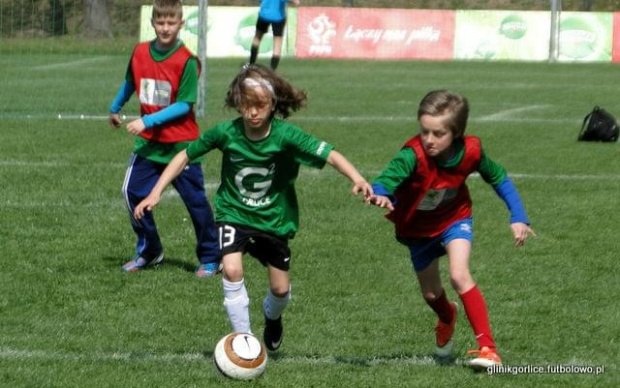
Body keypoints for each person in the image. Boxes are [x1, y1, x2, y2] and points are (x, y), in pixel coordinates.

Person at [133, 64, 372, 351]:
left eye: (260, 105)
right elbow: (184, 155)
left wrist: (357, 177)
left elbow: (329, 154)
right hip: (233, 213)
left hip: (274, 219)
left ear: (273, 104)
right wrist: (156, 192)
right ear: (238, 103)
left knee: (280, 290)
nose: (253, 112)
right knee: (232, 270)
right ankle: (244, 340)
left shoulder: (286, 135)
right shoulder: (226, 133)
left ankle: (272, 317)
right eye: (247, 105)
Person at [368, 90, 535, 371]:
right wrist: (381, 193)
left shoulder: (472, 151)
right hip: (416, 229)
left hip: (454, 219)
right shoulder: (412, 155)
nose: (429, 140)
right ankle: (447, 317)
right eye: (424, 131)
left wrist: (518, 216)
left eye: (438, 133)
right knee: (432, 296)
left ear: (456, 133)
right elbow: (385, 180)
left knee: (459, 275)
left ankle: (489, 350)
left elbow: (499, 178)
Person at [108, 0, 220, 277]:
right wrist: (115, 107)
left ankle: (210, 256)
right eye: (161, 22)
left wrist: (147, 120)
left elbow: (184, 105)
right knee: (132, 192)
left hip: (181, 145)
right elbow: (130, 82)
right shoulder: (139, 52)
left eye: (171, 23)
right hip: (149, 144)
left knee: (195, 201)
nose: (165, 28)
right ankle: (149, 249)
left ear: (181, 24)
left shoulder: (187, 61)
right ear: (153, 22)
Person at [248, 0, 300, 70]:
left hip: (264, 15)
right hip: (278, 17)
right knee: (277, 45)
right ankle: (272, 71)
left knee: (257, 39)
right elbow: (296, 2)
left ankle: (251, 65)